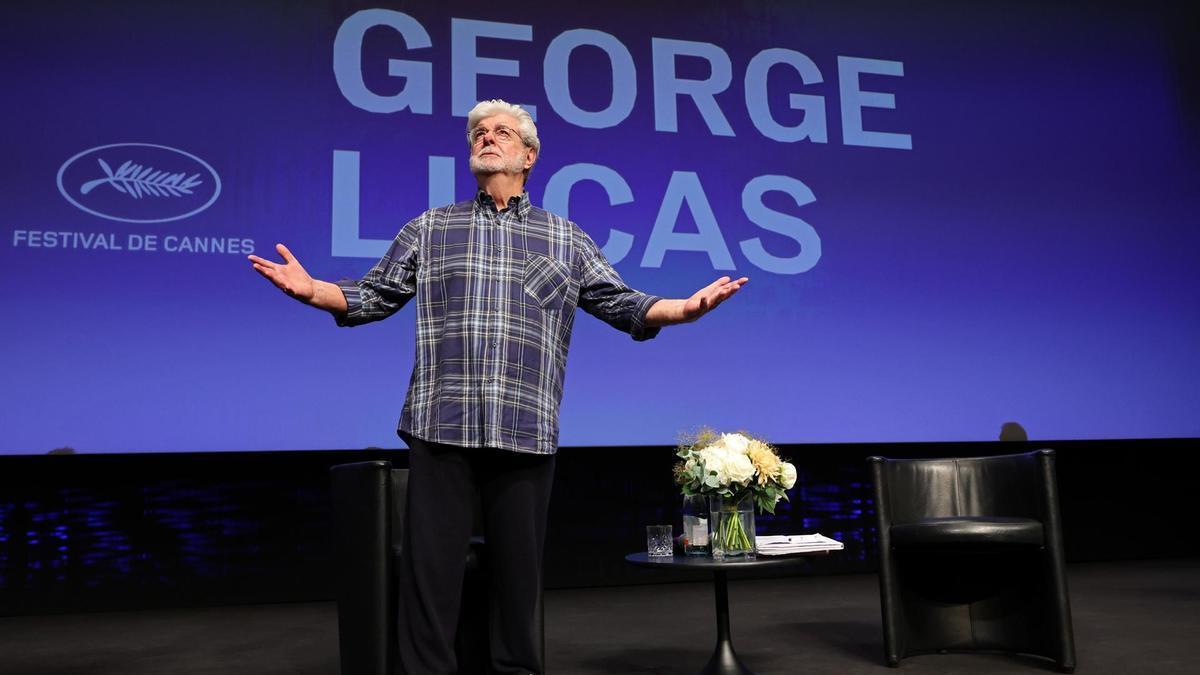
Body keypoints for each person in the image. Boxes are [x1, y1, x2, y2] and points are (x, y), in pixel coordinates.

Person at [248, 99, 747, 675]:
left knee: (518, 583)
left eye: (502, 133)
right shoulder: (430, 228)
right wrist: (314, 291)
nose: (487, 139)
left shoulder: (565, 239)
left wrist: (684, 308)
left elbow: (623, 303)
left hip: (525, 430)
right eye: (478, 133)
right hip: (442, 425)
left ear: (529, 156)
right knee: (429, 581)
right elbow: (373, 295)